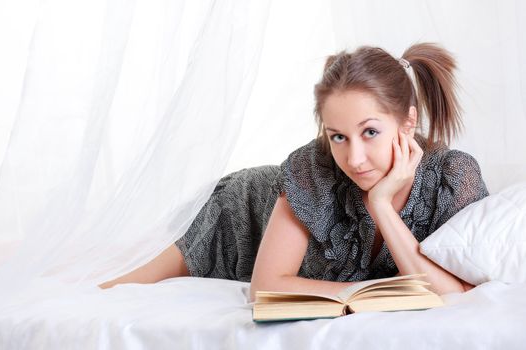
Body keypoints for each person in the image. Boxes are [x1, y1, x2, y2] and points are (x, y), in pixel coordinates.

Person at [99, 43, 488, 300]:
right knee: (109, 284)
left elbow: (457, 293)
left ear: (408, 122)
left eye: (370, 132)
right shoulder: (312, 168)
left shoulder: (452, 178)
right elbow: (265, 287)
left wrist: (383, 205)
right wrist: (357, 295)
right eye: (338, 136)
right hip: (240, 216)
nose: (354, 158)